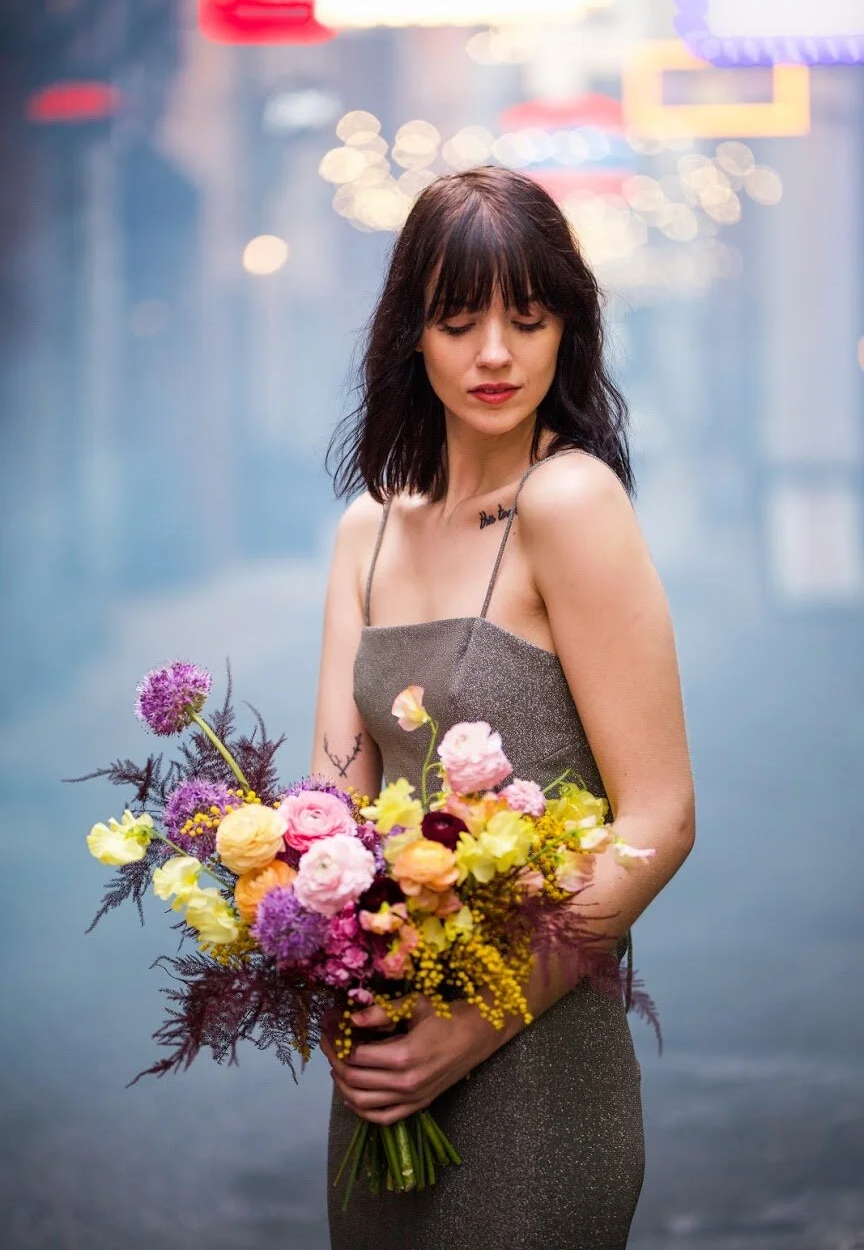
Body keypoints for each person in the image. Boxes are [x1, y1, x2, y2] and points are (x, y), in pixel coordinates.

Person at [312, 166, 695, 1249]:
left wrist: (467, 1031)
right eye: (458, 318)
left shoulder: (572, 500)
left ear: (565, 331)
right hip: (383, 1073)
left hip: (534, 1063)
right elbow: (330, 812)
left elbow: (660, 819)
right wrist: (338, 967)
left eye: (528, 319)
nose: (493, 353)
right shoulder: (368, 529)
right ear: (410, 335)